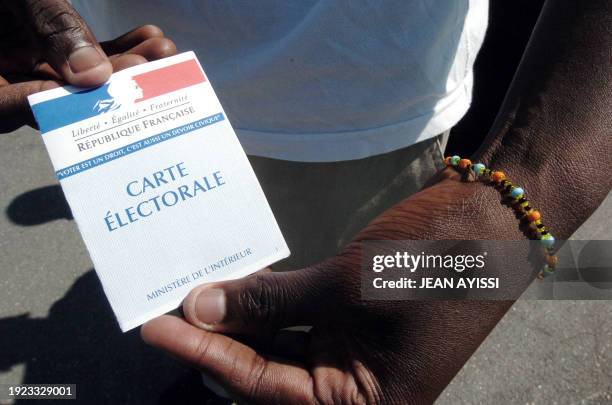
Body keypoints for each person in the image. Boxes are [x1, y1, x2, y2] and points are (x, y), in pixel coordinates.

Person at [2, 0, 610, 403]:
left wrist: (518, 208)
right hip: (120, 76)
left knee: (314, 331)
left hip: (354, 111)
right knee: (210, 318)